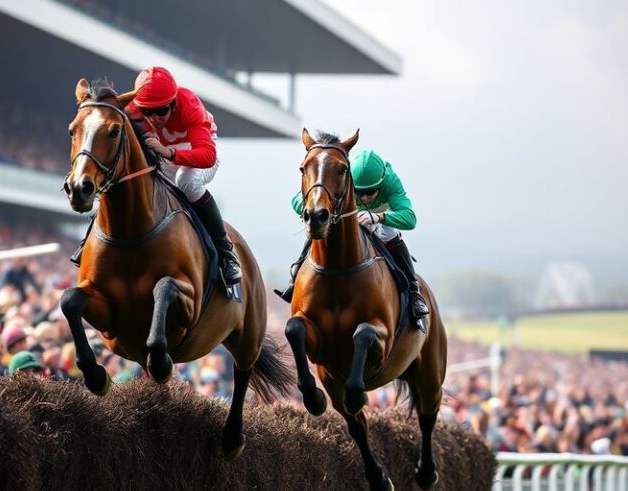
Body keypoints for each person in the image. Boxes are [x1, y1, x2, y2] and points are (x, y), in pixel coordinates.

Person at [74, 66, 242, 285]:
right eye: (147, 112)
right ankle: (89, 239)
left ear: (173, 102)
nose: (154, 117)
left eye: (161, 110)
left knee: (187, 181)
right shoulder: (133, 108)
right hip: (161, 151)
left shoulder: (189, 104)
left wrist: (169, 152)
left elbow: (208, 156)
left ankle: (226, 251)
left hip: (194, 150)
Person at [277, 149, 429, 320]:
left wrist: (379, 216)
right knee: (316, 233)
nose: (364, 198)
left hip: (378, 221)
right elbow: (297, 200)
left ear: (381, 183)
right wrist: (316, 210)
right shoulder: (341, 178)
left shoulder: (391, 181)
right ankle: (294, 281)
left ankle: (414, 292)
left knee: (393, 236)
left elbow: (410, 219)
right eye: (359, 192)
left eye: (370, 192)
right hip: (345, 220)